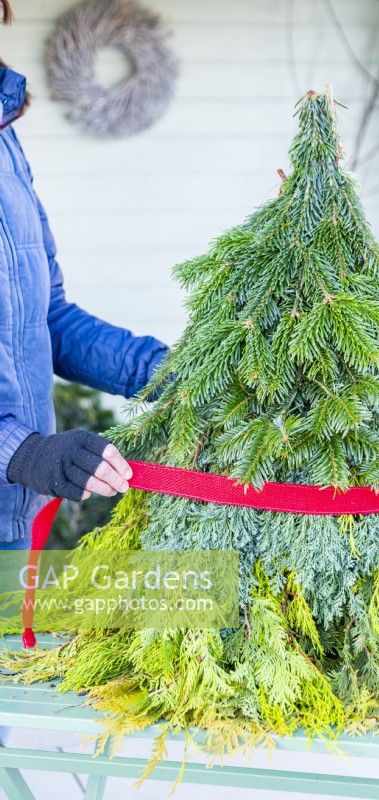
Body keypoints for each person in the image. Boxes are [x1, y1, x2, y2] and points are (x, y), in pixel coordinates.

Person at [0, 0, 168, 551]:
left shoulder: (5, 145)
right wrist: (23, 452)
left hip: (16, 515)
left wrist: (165, 372)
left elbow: (50, 317)